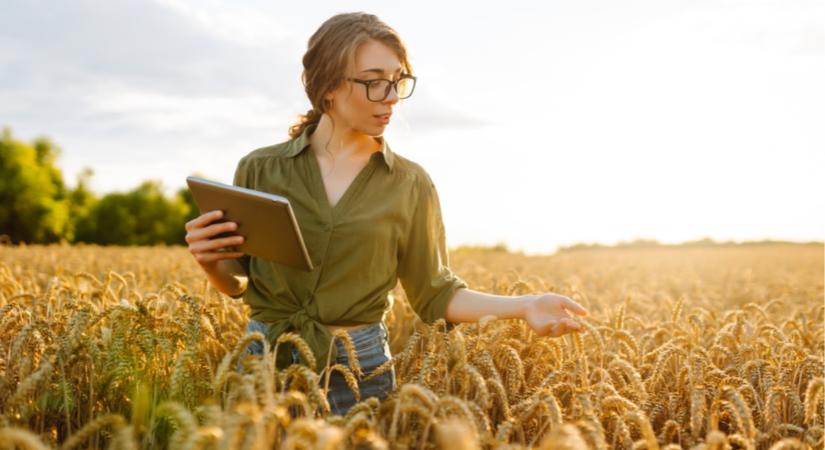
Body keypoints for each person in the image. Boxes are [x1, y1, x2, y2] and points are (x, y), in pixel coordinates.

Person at [184, 12, 589, 416]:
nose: (392, 96)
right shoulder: (260, 169)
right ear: (327, 87)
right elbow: (240, 281)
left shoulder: (411, 183)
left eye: (398, 80)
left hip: (358, 371)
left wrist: (525, 305)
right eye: (374, 81)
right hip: (261, 361)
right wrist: (210, 262)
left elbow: (436, 293)